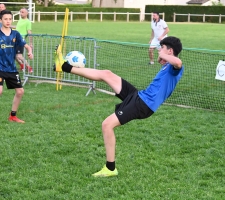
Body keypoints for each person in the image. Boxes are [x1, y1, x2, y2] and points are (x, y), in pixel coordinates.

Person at [59, 36, 183, 177]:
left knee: (107, 125)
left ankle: (110, 168)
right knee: (106, 74)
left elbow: (178, 62)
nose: (159, 51)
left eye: (162, 48)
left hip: (143, 104)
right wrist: (164, 57)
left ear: (170, 50)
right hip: (138, 96)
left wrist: (162, 55)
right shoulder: (167, 66)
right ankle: (65, 67)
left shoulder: (175, 68)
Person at [0, 10, 34, 123]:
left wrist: (30, 51)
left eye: (10, 19)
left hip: (11, 68)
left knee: (20, 92)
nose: (8, 21)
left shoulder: (16, 34)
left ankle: (13, 116)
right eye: (5, 19)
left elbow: (26, 46)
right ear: (1, 20)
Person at [16, 7, 33, 73]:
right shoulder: (20, 20)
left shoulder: (28, 22)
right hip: (15, 40)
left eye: (22, 12)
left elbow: (29, 32)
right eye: (20, 12)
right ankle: (22, 66)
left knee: (19, 56)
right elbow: (18, 28)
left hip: (20, 40)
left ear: (27, 13)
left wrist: (31, 43)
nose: (21, 13)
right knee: (15, 56)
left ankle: (29, 67)